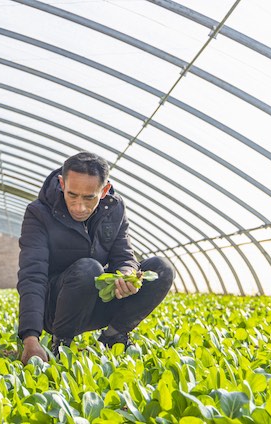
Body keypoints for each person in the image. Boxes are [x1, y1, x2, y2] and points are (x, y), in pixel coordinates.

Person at [17, 151, 174, 364]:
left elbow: (124, 255)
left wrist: (127, 274)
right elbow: (32, 275)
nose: (79, 206)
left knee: (161, 269)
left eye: (89, 197)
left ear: (104, 190)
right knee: (89, 269)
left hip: (96, 300)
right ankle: (62, 343)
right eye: (72, 195)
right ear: (62, 184)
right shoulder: (38, 213)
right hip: (56, 308)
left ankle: (113, 336)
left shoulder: (114, 208)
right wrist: (30, 339)